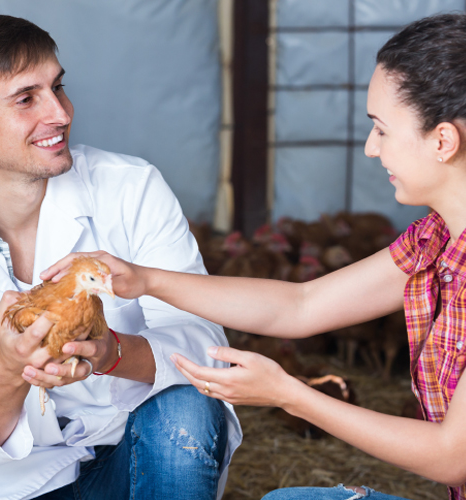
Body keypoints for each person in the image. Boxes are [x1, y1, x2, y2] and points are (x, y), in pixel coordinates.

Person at [42, 12, 466, 500]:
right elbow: (302, 305)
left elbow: (453, 456)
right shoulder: (434, 240)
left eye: (382, 130)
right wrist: (145, 280)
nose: (371, 148)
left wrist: (289, 395)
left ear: (442, 141)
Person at [0, 15, 241, 500]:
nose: (60, 112)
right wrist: (9, 369)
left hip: (142, 450)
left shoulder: (131, 188)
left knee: (188, 408)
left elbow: (205, 350)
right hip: (11, 478)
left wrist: (110, 354)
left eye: (58, 87)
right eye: (26, 98)